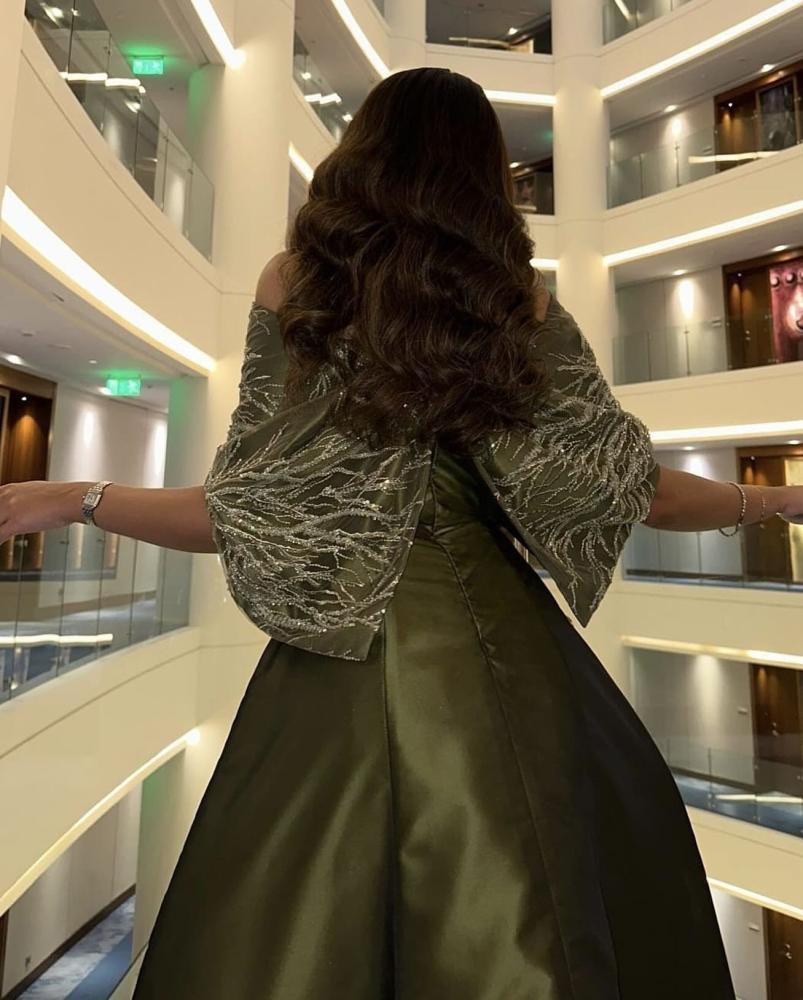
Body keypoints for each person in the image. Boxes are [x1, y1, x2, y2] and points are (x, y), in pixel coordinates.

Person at [1, 67, 802, 1000]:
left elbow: (240, 505)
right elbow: (641, 493)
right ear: (481, 174)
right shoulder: (520, 304)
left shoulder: (297, 286)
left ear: (362, 154)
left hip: (328, 668)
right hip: (511, 657)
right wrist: (777, 502)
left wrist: (77, 498)